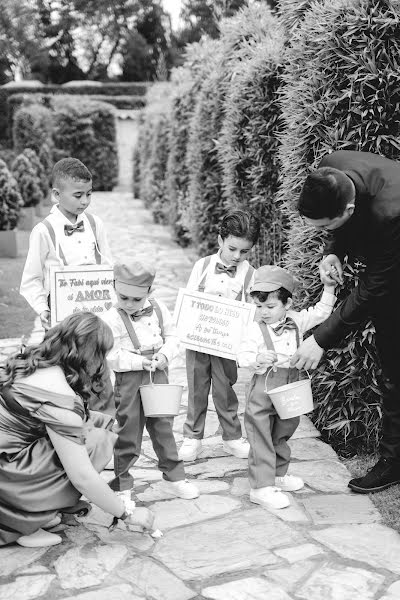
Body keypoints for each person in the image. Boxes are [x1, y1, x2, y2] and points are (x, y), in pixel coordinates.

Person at [291, 149, 400, 493]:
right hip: (388, 263)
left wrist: (320, 339)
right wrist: (332, 251)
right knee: (392, 369)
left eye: (325, 227)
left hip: (391, 268)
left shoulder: (391, 212)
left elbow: (371, 290)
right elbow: (341, 228)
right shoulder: (332, 167)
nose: (322, 230)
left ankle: (393, 461)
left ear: (348, 211)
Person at [0, 312, 154, 548]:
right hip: (5, 472)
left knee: (93, 423)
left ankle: (36, 506)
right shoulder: (59, 397)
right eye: (103, 354)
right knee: (92, 440)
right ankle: (19, 523)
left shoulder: (33, 360)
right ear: (92, 356)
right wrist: (127, 513)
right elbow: (82, 476)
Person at [19, 157, 114, 414]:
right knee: (65, 381)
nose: (85, 201)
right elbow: (30, 280)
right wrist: (43, 309)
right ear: (56, 195)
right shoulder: (43, 230)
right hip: (61, 325)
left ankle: (100, 428)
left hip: (94, 322)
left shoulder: (96, 225)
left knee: (98, 379)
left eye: (89, 194)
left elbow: (108, 268)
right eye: (78, 195)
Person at [237, 265, 336, 509]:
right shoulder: (253, 328)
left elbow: (322, 312)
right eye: (259, 306)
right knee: (260, 434)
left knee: (284, 429)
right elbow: (242, 354)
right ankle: (260, 487)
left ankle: (278, 474)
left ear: (287, 304)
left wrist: (330, 287)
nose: (263, 312)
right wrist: (257, 360)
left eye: (270, 307)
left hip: (290, 384)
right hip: (264, 385)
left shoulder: (297, 321)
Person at [103, 260, 199, 502]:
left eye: (137, 299)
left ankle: (175, 477)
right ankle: (122, 485)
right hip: (129, 379)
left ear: (149, 292)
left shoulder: (158, 309)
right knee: (128, 431)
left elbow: (174, 336)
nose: (130, 304)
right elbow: (111, 355)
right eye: (124, 297)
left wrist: (165, 354)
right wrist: (138, 362)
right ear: (114, 287)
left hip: (158, 373)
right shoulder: (111, 318)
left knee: (163, 427)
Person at [178, 210, 261, 462]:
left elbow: (253, 311)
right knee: (196, 389)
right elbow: (188, 303)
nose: (237, 256)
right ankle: (193, 437)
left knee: (225, 391)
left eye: (244, 252)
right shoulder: (202, 266)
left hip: (228, 344)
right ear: (220, 240)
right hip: (199, 340)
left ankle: (232, 437)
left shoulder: (250, 275)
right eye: (233, 249)